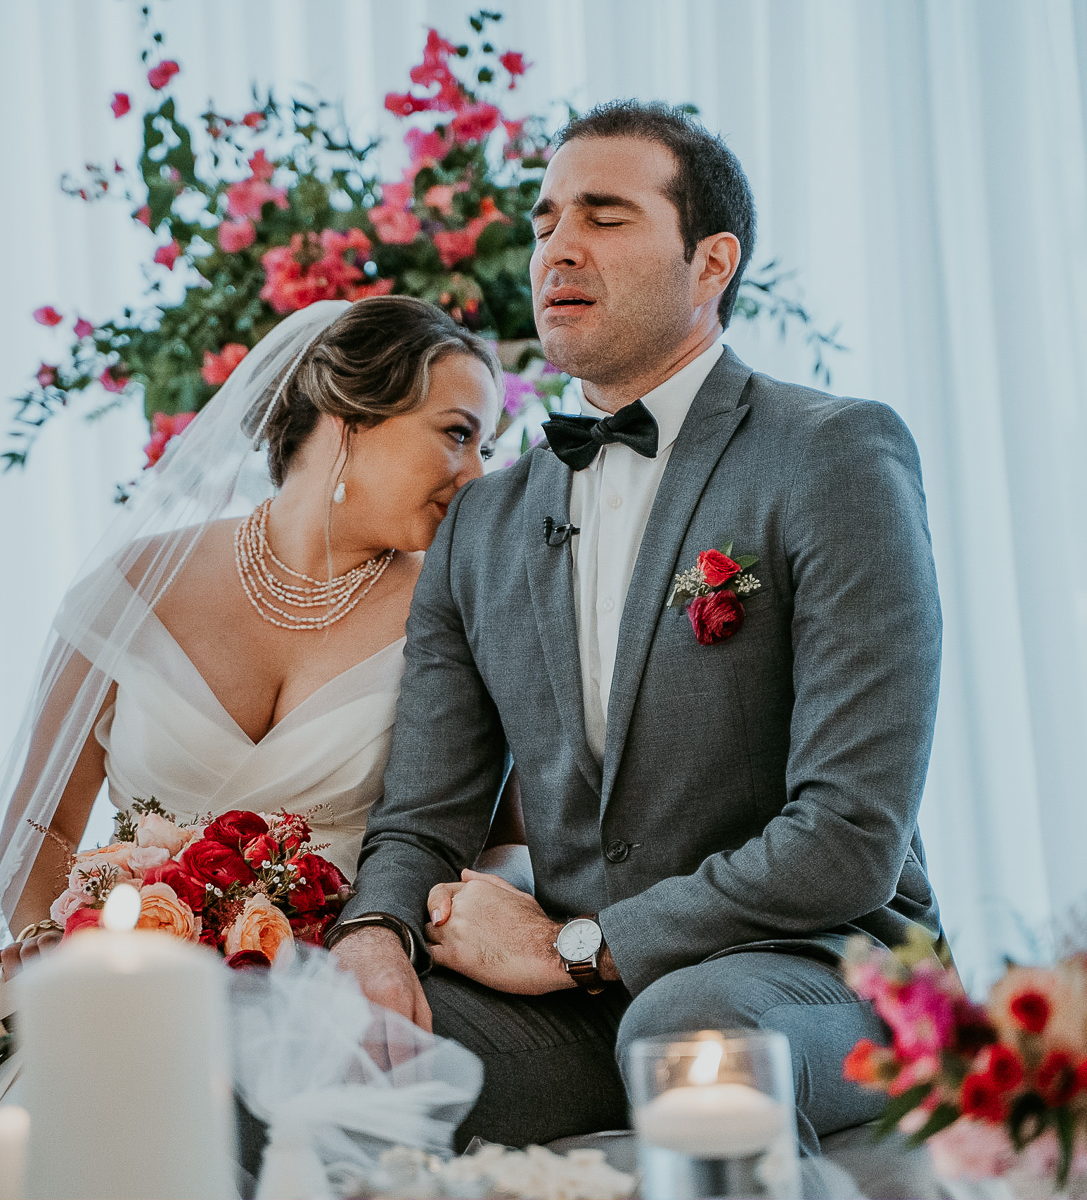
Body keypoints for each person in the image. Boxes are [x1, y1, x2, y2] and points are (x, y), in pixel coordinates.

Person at [328, 101, 948, 1154]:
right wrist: (375, 936)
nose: (558, 246)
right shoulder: (482, 520)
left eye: (606, 216)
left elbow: (848, 836)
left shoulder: (836, 455)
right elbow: (425, 814)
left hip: (821, 974)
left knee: (685, 1032)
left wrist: (581, 944)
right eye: (545, 218)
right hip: (581, 1008)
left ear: (711, 262)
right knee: (319, 1061)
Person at [0, 296, 500, 1178]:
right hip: (132, 996)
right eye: (458, 433)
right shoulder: (134, 584)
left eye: (486, 448)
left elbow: (492, 846)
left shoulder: (455, 610)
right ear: (352, 418)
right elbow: (39, 825)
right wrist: (69, 945)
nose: (477, 472)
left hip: (337, 1005)